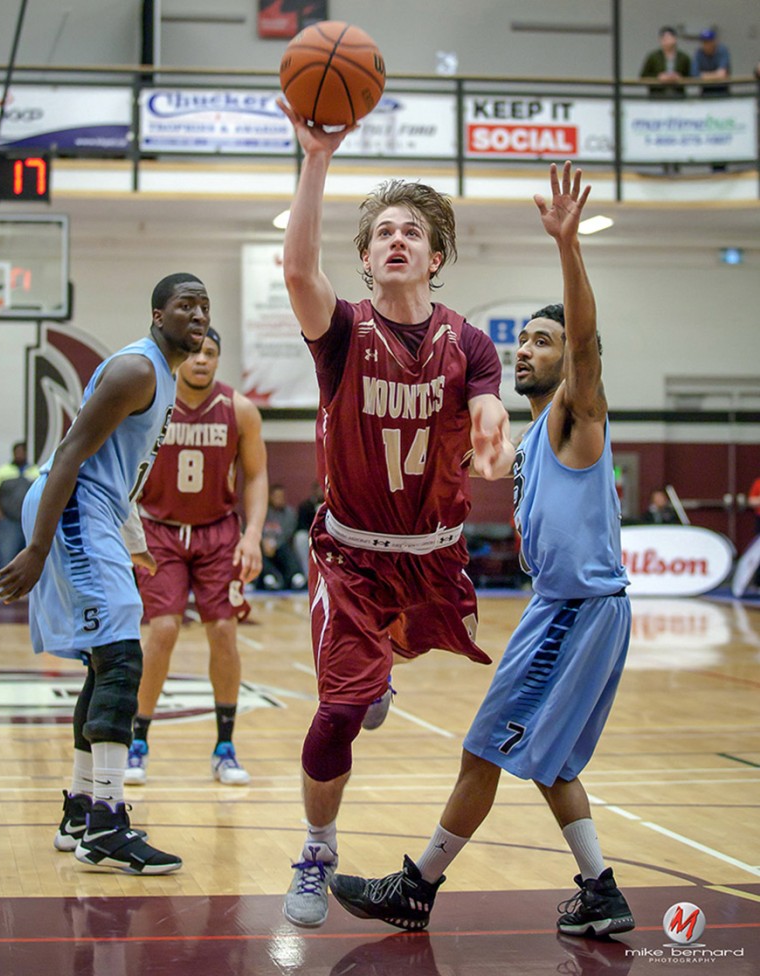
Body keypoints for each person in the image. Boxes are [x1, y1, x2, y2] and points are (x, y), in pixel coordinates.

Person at [330, 162, 635, 941]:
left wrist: (568, 247)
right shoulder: (532, 437)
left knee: (481, 749)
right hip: (565, 610)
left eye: (545, 340)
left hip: (577, 612)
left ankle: (418, 888)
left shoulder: (577, 415)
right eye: (523, 340)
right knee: (554, 761)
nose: (527, 350)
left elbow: (589, 344)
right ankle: (601, 889)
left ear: (572, 360)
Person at [276, 96, 511, 928]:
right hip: (352, 556)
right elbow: (299, 273)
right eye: (383, 233)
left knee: (384, 672)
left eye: (412, 230)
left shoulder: (469, 343)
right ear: (368, 261)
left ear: (435, 254)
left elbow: (490, 410)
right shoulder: (341, 333)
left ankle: (378, 676)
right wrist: (316, 157)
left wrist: (493, 429)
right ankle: (317, 849)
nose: (397, 239)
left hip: (436, 557)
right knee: (339, 709)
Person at [0, 272, 211, 875]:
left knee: (104, 657)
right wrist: (37, 548)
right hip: (71, 508)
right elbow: (69, 454)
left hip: (94, 511)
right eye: (183, 306)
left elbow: (123, 471)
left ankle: (82, 808)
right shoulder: (136, 369)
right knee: (120, 658)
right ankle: (107, 825)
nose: (196, 316)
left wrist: (130, 538)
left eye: (204, 307)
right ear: (156, 314)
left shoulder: (161, 374)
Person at [124, 326, 268, 787]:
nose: (202, 360)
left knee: (224, 631)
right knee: (162, 630)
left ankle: (225, 747)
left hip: (217, 533)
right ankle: (138, 741)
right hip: (161, 533)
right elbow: (125, 465)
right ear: (180, 355)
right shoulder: (151, 402)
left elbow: (258, 476)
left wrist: (253, 536)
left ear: (218, 359)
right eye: (195, 352)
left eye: (210, 353)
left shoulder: (239, 409)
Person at [0, 441, 40, 569]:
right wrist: (0, 515)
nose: (20, 454)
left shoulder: (36, 472)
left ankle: (30, 588)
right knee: (7, 555)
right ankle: (3, 585)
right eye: (17, 452)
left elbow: (43, 495)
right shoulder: (3, 472)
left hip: (30, 521)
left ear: (27, 453)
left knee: (30, 555)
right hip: (9, 521)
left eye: (22, 452)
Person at [259, 483, 305, 590]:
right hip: (263, 546)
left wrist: (275, 544)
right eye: (277, 496)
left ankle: (296, 577)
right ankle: (270, 578)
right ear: (270, 497)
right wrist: (263, 541)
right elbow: (255, 529)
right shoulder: (262, 511)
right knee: (257, 549)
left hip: (281, 547)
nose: (279, 499)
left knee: (286, 549)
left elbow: (288, 533)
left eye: (281, 496)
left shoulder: (289, 513)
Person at [639, 26, 692, 99]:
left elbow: (691, 76)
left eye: (669, 38)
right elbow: (643, 77)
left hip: (678, 95)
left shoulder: (683, 57)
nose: (666, 41)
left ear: (675, 39)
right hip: (657, 95)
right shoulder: (653, 57)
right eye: (664, 39)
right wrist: (658, 78)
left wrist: (679, 78)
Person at [294, 480, 324, 574]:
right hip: (310, 536)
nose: (321, 491)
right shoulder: (305, 506)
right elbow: (301, 525)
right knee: (300, 537)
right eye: (319, 489)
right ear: (314, 490)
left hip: (328, 537)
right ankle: (307, 574)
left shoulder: (332, 505)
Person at [691, 29, 731, 97]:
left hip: (722, 90)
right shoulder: (699, 53)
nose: (706, 45)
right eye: (704, 42)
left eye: (708, 42)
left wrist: (703, 75)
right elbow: (695, 75)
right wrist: (715, 74)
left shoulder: (722, 51)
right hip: (705, 90)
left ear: (714, 42)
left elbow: (722, 74)